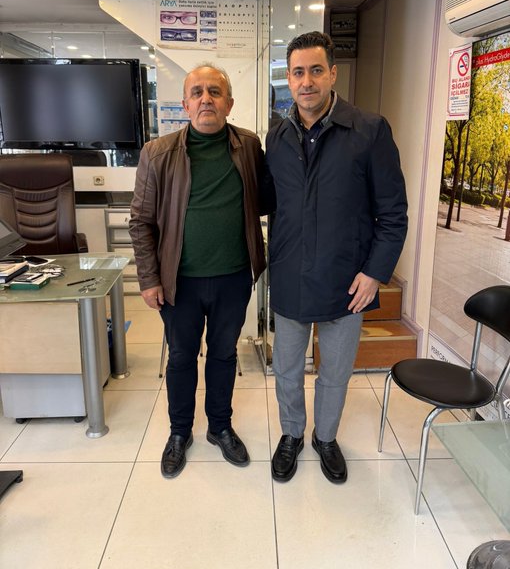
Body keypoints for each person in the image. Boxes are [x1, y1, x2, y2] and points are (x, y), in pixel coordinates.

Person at [264, 31, 407, 484]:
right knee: (287, 369)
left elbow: (393, 214)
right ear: (289, 79)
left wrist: (375, 273)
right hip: (290, 273)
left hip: (348, 280)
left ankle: (325, 438)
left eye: (315, 70)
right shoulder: (277, 135)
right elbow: (273, 204)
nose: (306, 81)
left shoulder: (369, 130)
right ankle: (291, 435)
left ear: (332, 74)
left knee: (336, 372)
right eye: (298, 72)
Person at [129, 63, 266, 479]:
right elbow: (141, 222)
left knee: (224, 355)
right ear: (186, 104)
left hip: (233, 278)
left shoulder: (248, 145)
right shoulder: (158, 153)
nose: (206, 99)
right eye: (197, 92)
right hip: (179, 282)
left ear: (229, 103)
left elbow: (266, 199)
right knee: (182, 357)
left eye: (215, 92)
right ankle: (179, 432)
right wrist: (149, 278)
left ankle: (220, 427)